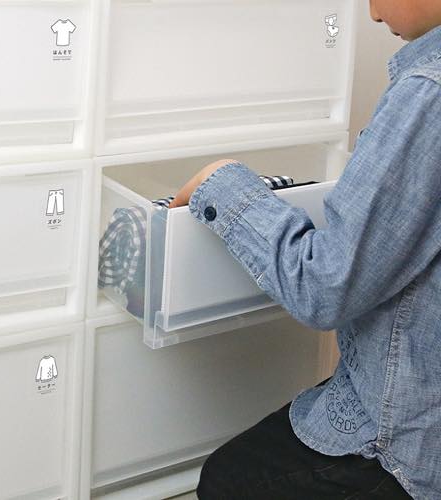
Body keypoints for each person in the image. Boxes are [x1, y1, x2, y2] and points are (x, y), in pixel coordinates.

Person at [169, 1, 441, 498]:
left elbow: (325, 285)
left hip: (412, 445)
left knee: (230, 481)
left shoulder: (429, 92)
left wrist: (220, 182)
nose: (372, 15)